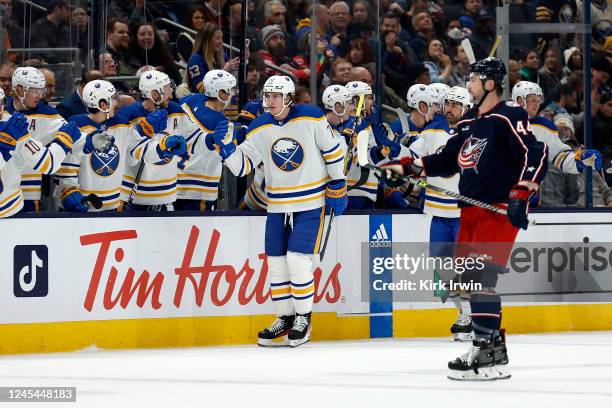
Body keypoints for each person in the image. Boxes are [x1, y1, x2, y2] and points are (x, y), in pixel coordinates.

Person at [381, 58, 548, 380]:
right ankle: (493, 350)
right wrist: (406, 168)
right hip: (469, 210)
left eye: (473, 79)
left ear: (489, 84)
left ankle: (484, 351)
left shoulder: (508, 115)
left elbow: (535, 153)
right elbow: (447, 159)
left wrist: (523, 192)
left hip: (497, 209)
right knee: (471, 283)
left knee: (482, 279)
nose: (468, 83)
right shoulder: (470, 120)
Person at [212, 75, 347, 347]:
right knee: (276, 263)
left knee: (298, 261)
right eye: (268, 95)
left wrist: (338, 182)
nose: (270, 101)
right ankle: (284, 317)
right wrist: (226, 149)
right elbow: (242, 167)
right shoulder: (260, 126)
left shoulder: (311, 117)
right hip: (277, 205)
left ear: (288, 97)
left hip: (310, 203)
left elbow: (333, 150)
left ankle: (303, 319)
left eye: (276, 96)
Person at [57, 80, 186, 212]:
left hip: (112, 207)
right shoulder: (77, 126)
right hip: (83, 206)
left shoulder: (122, 125)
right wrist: (68, 189)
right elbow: (67, 167)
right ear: (102, 104)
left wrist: (163, 147)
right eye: (112, 99)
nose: (117, 103)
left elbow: (140, 150)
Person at [407, 86, 474, 341]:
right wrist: (390, 151)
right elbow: (411, 155)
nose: (449, 109)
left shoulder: (475, 134)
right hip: (437, 211)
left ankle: (468, 316)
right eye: (447, 103)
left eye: (456, 105)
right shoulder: (432, 131)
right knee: (442, 270)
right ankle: (463, 314)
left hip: (464, 213)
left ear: (466, 109)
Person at [118, 70, 203, 211]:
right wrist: (142, 130)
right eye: (167, 89)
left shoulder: (175, 110)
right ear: (155, 93)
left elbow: (195, 137)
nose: (171, 93)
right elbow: (121, 153)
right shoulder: (129, 114)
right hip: (134, 196)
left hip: (165, 195)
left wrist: (210, 139)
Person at [0, 88, 83, 217]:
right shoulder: (15, 131)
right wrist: (64, 141)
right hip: (9, 210)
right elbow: (48, 163)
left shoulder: (13, 129)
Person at [177, 69, 241, 211]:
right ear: (221, 94)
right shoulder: (221, 124)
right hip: (198, 189)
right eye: (230, 90)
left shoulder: (190, 100)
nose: (234, 93)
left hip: (175, 180)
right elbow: (232, 158)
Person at [5, 67, 67, 212]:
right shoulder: (2, 110)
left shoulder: (48, 114)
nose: (39, 96)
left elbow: (72, 132)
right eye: (34, 91)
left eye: (41, 90)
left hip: (29, 193)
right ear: (20, 90)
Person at [512, 81, 602, 176]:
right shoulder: (500, 121)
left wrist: (581, 159)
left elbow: (559, 155)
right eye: (533, 100)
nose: (537, 104)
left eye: (538, 100)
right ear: (520, 100)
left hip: (528, 186)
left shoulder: (542, 126)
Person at [187, 23, 239, 94]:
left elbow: (236, 78)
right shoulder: (195, 60)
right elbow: (203, 90)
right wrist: (223, 72)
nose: (221, 42)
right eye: (217, 38)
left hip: (222, 99)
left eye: (221, 38)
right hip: (203, 102)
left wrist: (245, 59)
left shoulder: (223, 57)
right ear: (207, 39)